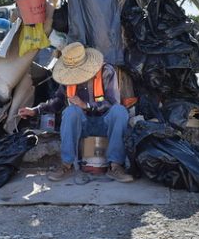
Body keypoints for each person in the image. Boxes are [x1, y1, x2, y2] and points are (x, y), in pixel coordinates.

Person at [19, 42, 133, 183]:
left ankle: (115, 166)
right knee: (70, 111)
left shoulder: (106, 71)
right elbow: (57, 101)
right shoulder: (67, 78)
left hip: (104, 122)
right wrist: (34, 111)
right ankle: (67, 164)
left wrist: (86, 105)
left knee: (120, 111)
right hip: (83, 126)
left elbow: (112, 103)